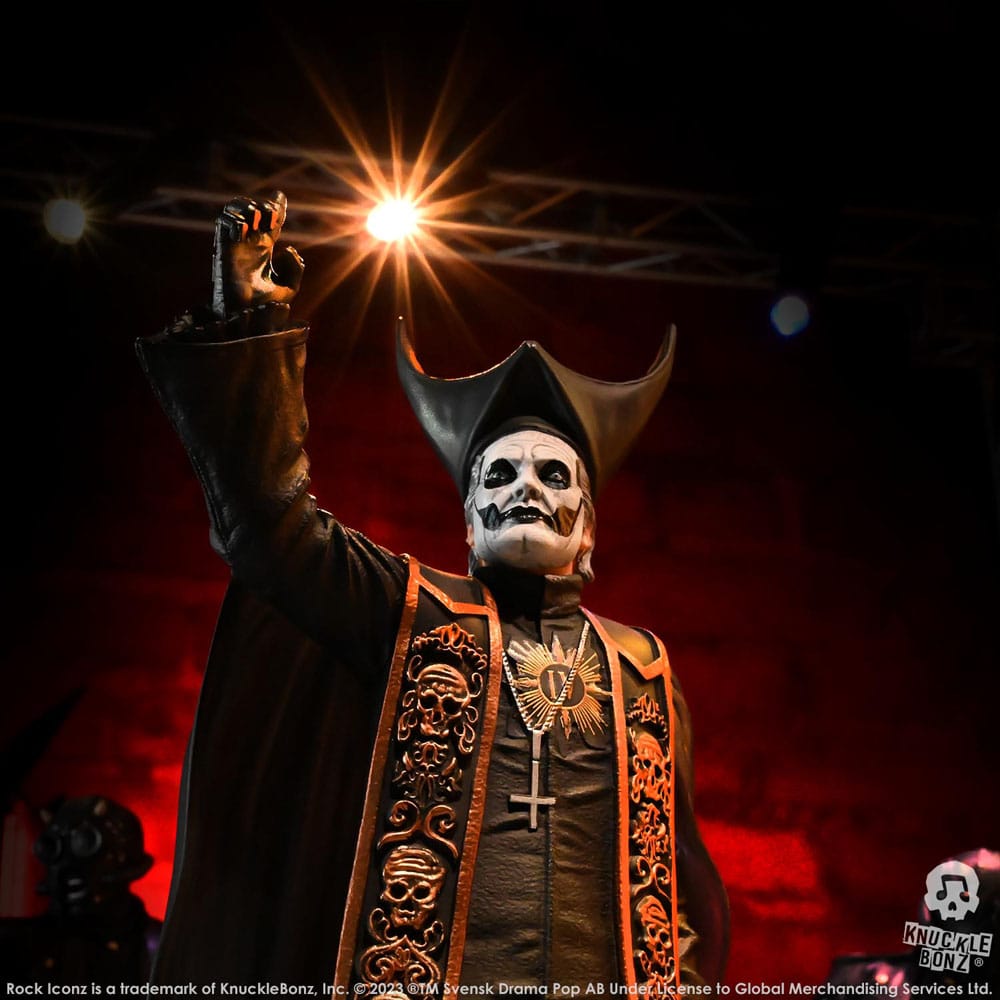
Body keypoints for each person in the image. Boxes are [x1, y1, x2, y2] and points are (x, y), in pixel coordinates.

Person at [137, 192, 728, 992]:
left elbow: (678, 882)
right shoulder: (408, 611)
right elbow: (272, 532)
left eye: (554, 476)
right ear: (470, 522)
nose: (525, 488)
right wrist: (251, 330)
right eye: (499, 474)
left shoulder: (641, 670)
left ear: (588, 527)